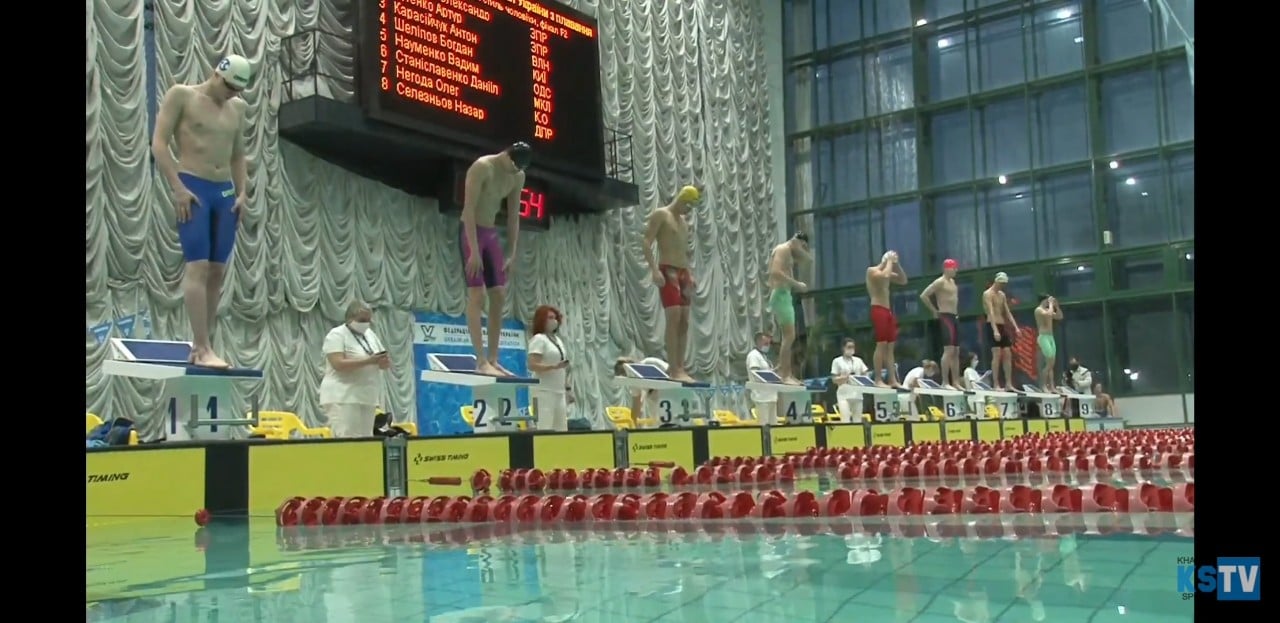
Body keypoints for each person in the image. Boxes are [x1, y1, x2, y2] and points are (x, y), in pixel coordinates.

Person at [151, 54, 254, 369]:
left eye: (238, 90)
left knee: (217, 271)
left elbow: (238, 155)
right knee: (197, 266)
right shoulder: (181, 95)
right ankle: (201, 345)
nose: (232, 94)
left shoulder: (237, 108)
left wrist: (242, 192)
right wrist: (177, 188)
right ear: (216, 74)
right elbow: (159, 144)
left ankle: (204, 346)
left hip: (224, 193)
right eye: (229, 87)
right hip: (193, 187)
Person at [461, 142, 532, 377]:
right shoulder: (482, 167)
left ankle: (493, 358)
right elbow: (468, 209)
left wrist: (512, 252)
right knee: (477, 295)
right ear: (507, 156)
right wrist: (473, 250)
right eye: (514, 166)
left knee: (499, 295)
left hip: (490, 234)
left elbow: (513, 217)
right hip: (471, 231)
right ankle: (480, 361)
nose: (515, 171)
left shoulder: (517, 176)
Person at [642, 185, 702, 383]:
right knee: (673, 316)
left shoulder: (684, 223)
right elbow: (646, 242)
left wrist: (689, 275)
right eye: (688, 206)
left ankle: (680, 367)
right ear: (682, 199)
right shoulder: (661, 215)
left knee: (684, 320)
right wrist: (654, 270)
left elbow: (683, 252)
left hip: (682, 272)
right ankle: (673, 367)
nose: (688, 211)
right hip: (667, 270)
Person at [319, 302, 390, 438]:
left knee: (367, 438)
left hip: (367, 396)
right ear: (349, 318)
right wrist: (368, 361)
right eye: (362, 320)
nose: (366, 323)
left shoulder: (370, 335)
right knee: (348, 437)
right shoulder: (337, 335)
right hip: (342, 396)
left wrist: (383, 362)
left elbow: (382, 361)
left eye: (368, 320)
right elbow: (338, 364)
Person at [766, 233, 812, 385]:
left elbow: (805, 259)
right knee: (789, 336)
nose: (802, 250)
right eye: (802, 246)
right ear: (796, 241)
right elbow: (775, 272)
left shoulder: (788, 251)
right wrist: (797, 284)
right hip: (781, 295)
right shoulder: (783, 249)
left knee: (788, 336)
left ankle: (783, 369)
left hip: (783, 295)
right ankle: (785, 375)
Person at [526, 306, 572, 432]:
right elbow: (532, 365)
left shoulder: (558, 340)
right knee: (545, 427)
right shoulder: (539, 339)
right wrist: (553, 367)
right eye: (550, 318)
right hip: (543, 391)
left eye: (555, 318)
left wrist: (568, 389)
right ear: (542, 320)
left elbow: (562, 367)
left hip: (559, 391)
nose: (554, 321)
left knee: (561, 428)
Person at [867, 251, 908, 388]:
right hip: (878, 309)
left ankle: (892, 380)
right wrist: (890, 261)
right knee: (881, 344)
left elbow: (903, 280)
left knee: (890, 347)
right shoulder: (872, 271)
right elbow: (884, 275)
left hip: (888, 311)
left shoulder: (887, 273)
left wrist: (897, 265)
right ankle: (878, 379)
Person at [920, 259, 961, 389]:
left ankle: (956, 382)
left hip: (954, 316)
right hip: (945, 316)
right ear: (946, 268)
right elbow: (924, 295)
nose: (956, 270)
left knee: (956, 351)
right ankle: (945, 382)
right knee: (948, 350)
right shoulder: (940, 282)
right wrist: (934, 310)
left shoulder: (953, 282)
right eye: (954, 268)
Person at [982, 272, 1020, 391]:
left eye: (1004, 284)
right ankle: (996, 384)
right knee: (997, 354)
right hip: (992, 325)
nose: (1003, 285)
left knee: (1008, 353)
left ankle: (1008, 384)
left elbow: (1007, 312)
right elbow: (990, 312)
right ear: (996, 281)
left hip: (1002, 325)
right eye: (1001, 283)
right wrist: (995, 330)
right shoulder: (987, 294)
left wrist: (1016, 327)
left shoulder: (1002, 295)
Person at [614, 356, 669, 425]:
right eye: (622, 373)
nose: (625, 374)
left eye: (623, 371)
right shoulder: (633, 382)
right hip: (654, 398)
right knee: (658, 421)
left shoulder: (650, 362)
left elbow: (670, 372)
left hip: (669, 392)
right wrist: (633, 423)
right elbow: (636, 404)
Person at [830, 338, 870, 422]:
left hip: (857, 395)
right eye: (849, 347)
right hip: (844, 395)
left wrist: (862, 379)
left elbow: (866, 374)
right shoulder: (837, 361)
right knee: (845, 419)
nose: (851, 349)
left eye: (853, 347)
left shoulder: (858, 360)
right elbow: (834, 379)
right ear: (843, 348)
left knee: (857, 420)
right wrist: (845, 378)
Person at [745, 332, 778, 424]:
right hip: (761, 397)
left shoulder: (764, 356)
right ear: (758, 342)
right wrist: (771, 378)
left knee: (774, 425)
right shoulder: (753, 355)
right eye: (766, 344)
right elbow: (756, 373)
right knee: (764, 426)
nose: (768, 346)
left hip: (771, 396)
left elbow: (766, 372)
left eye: (769, 344)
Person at [1033, 294, 1064, 391]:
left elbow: (1059, 316)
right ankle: (1043, 385)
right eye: (1047, 300)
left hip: (1051, 337)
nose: (1049, 302)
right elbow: (1049, 314)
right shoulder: (1038, 310)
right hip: (1043, 337)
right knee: (1049, 363)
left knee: (1051, 364)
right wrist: (1051, 304)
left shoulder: (1048, 310)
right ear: (1044, 300)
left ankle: (1052, 386)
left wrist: (1057, 306)